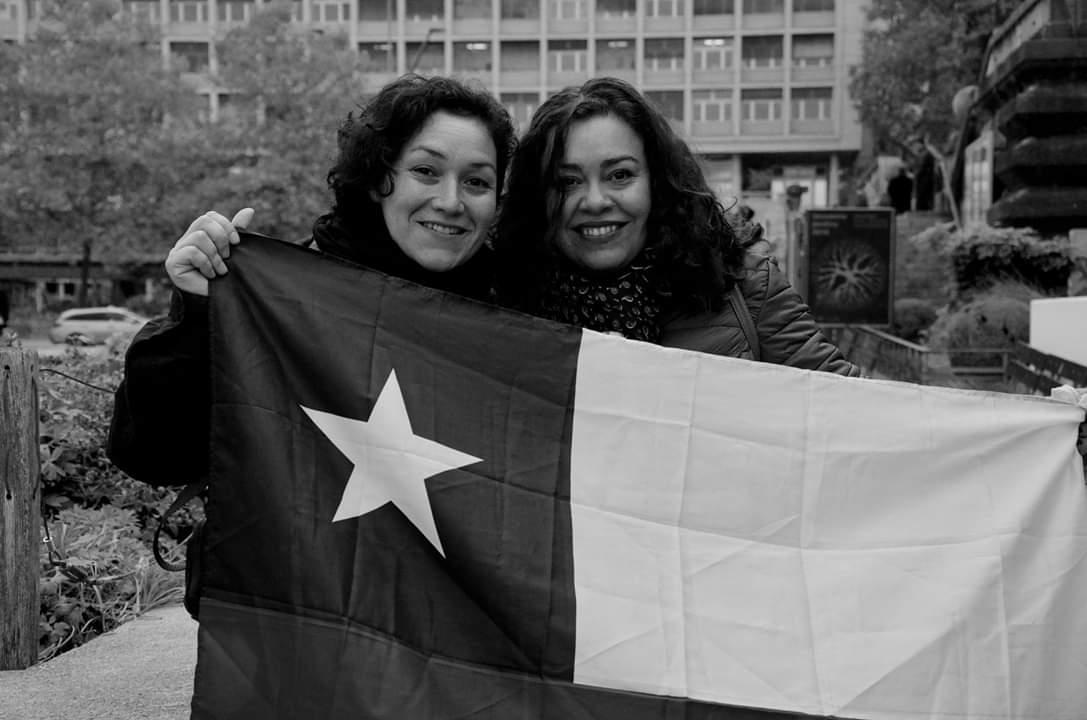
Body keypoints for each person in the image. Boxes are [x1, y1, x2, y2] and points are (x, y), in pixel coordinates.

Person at [107, 74, 516, 486]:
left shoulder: (517, 319)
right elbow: (154, 458)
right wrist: (200, 316)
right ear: (378, 180)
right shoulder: (284, 300)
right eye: (426, 171)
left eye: (476, 182)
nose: (451, 201)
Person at [493, 77, 859, 376]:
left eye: (619, 175)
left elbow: (852, 414)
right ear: (537, 197)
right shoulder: (499, 302)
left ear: (657, 182)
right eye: (568, 182)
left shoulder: (746, 286)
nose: (595, 201)